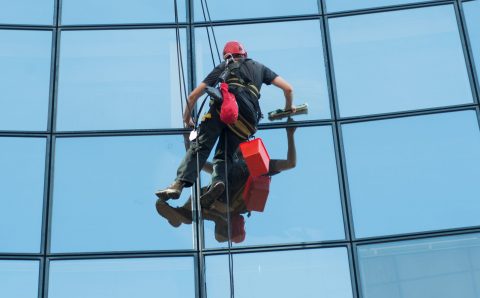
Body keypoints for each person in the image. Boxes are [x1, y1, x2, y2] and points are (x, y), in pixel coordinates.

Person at [155, 41, 295, 202]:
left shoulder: (225, 66)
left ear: (227, 56)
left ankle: (178, 184)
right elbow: (288, 89)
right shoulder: (260, 68)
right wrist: (288, 108)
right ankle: (218, 182)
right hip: (248, 122)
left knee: (201, 146)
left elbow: (193, 96)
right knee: (224, 155)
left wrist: (187, 119)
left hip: (226, 109)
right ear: (245, 55)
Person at [155, 125, 297, 243]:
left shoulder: (259, 166)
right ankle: (183, 215)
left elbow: (291, 163)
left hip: (227, 204)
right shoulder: (226, 165)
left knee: (206, 191)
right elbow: (198, 162)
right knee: (201, 194)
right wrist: (187, 139)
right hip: (220, 205)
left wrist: (290, 134)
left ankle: (184, 215)